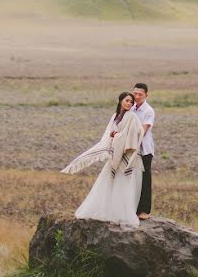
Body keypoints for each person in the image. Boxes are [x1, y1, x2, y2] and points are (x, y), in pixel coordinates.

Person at [61, 92, 145, 227]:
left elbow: (137, 132)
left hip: (126, 156)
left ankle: (120, 214)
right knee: (107, 183)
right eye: (127, 101)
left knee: (122, 185)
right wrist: (113, 137)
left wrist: (117, 136)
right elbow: (108, 133)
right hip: (115, 154)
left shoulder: (132, 117)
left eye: (131, 102)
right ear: (120, 101)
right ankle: (105, 211)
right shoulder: (115, 116)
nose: (129, 103)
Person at [131, 82, 155, 220]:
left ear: (146, 95)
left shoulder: (148, 111)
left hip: (144, 149)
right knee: (133, 179)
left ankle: (145, 210)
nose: (137, 96)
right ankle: (134, 208)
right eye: (135, 93)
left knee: (145, 179)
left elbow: (143, 130)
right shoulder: (131, 107)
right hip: (131, 149)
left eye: (140, 94)